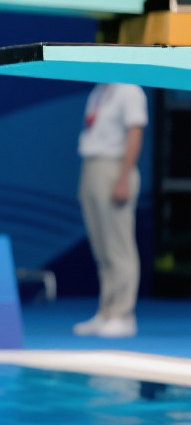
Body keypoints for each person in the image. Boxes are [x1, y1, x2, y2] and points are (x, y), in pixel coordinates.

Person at [72, 83, 148, 338]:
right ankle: (107, 312)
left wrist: (123, 177)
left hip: (115, 168)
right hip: (92, 165)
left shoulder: (129, 90)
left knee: (118, 247)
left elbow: (135, 134)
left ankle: (123, 315)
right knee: (102, 248)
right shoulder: (98, 91)